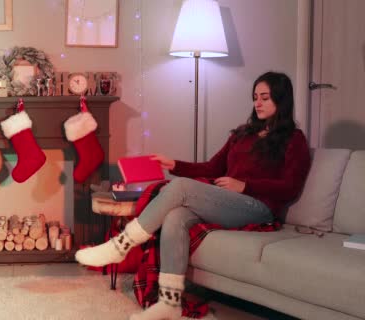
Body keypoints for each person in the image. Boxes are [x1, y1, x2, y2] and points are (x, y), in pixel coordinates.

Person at [75, 71, 311, 320]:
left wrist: (245, 186)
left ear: (281, 100)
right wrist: (173, 163)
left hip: (259, 207)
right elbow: (211, 168)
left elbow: (290, 187)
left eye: (265, 97)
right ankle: (169, 302)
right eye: (255, 97)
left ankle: (121, 245)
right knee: (176, 216)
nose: (258, 103)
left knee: (181, 188)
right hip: (229, 202)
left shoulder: (293, 140)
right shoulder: (243, 134)